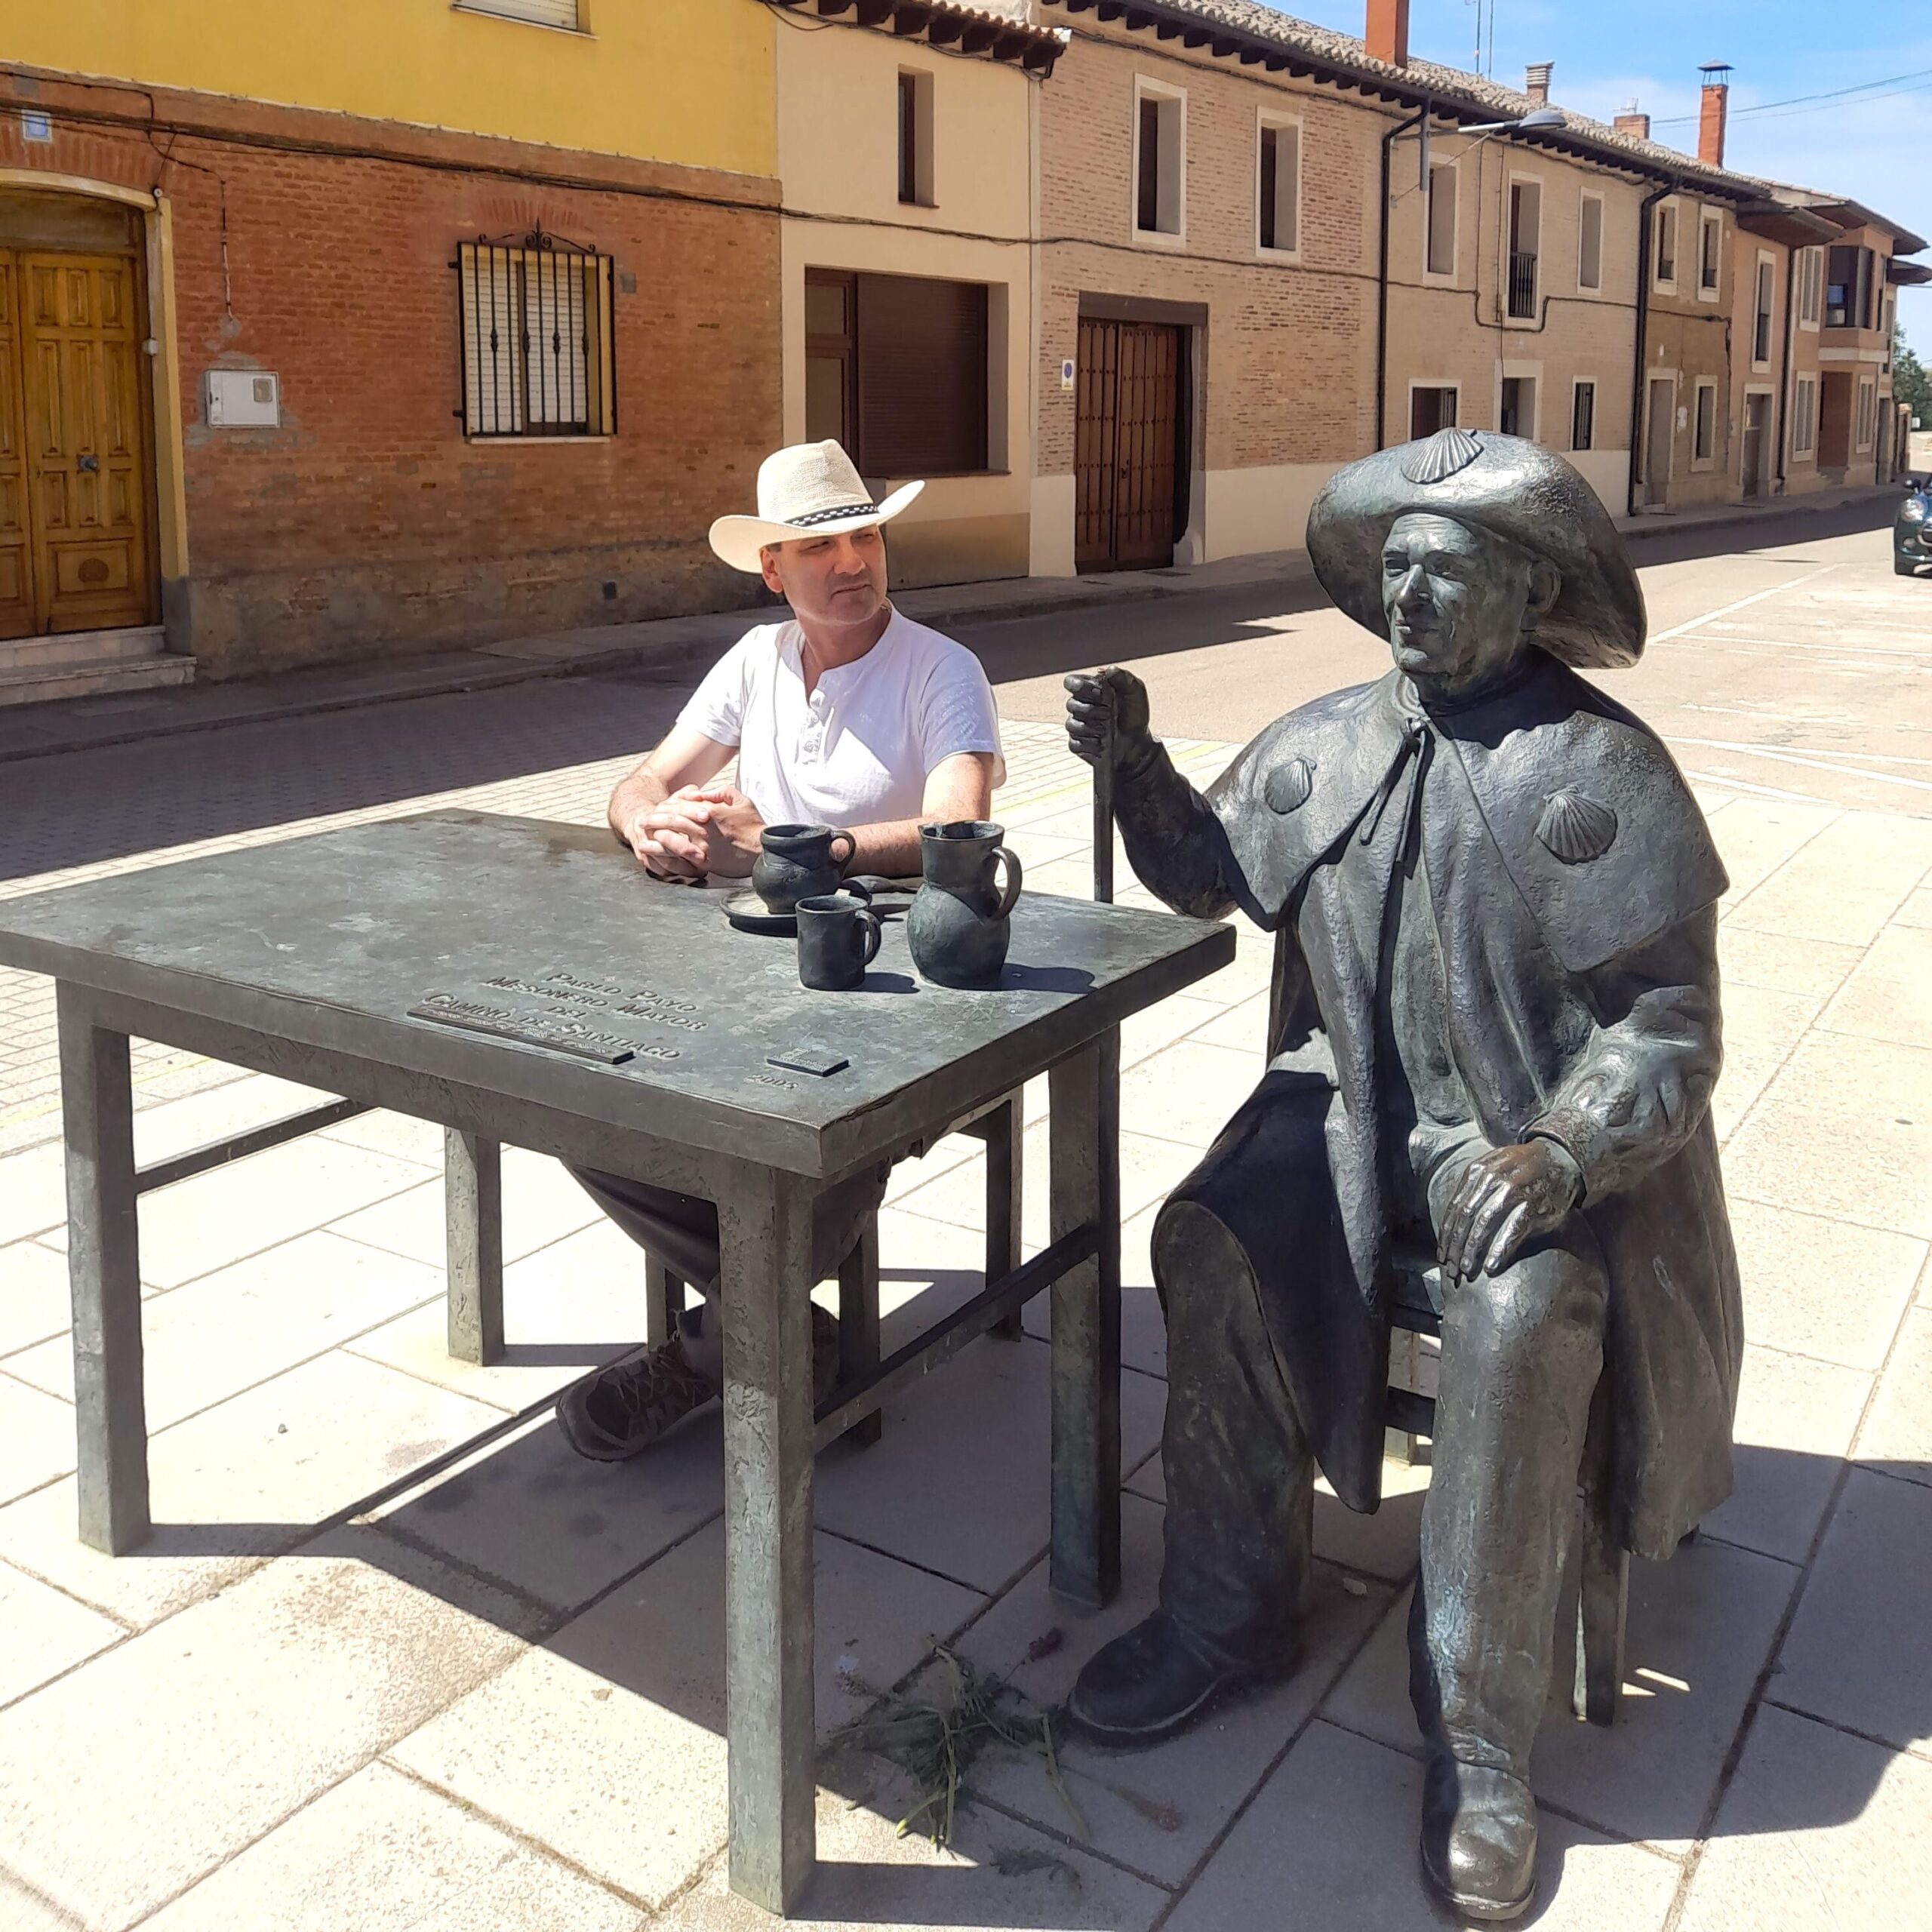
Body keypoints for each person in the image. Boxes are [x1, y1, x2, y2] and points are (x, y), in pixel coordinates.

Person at [1061, 428, 1740, 1924]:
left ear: (1524, 586)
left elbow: (1666, 1028)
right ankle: (1227, 1608)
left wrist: (1563, 1150)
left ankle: (1480, 1735)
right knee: (1214, 1232)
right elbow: (1207, 870)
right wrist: (1135, 772)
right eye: (1395, 573)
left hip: (1531, 1147)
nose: (1407, 600)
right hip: (1354, 1114)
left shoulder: (1599, 764)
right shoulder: (1328, 735)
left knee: (1517, 1324)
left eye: (1442, 572)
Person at [555, 439, 1004, 1462]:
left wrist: (802, 849)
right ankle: (788, 1335)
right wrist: (648, 827)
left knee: (809, 1144)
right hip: (749, 969)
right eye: (820, 549)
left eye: (863, 539)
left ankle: (712, 1354)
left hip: (895, 983)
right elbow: (642, 778)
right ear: (774, 570)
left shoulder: (942, 669)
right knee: (579, 1099)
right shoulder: (756, 658)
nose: (850, 564)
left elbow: (959, 834)